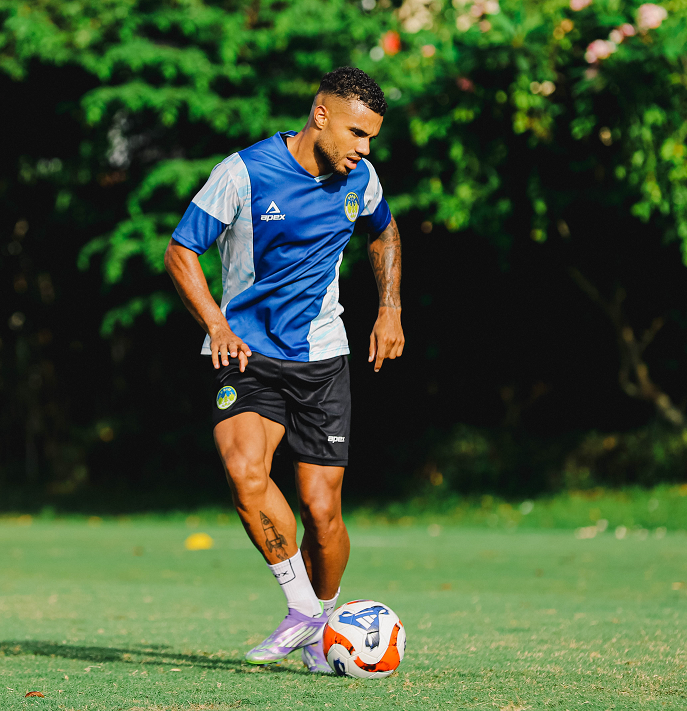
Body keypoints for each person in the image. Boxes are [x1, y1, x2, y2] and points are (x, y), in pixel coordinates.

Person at [163, 66, 403, 672]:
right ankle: (304, 611)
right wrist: (215, 323)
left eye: (370, 138)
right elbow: (181, 249)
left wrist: (390, 308)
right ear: (320, 115)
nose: (364, 148)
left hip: (323, 358)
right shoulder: (242, 173)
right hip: (245, 353)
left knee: (322, 514)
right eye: (356, 133)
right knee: (246, 474)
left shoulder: (362, 179)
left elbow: (384, 232)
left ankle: (323, 622)